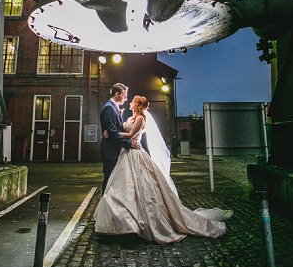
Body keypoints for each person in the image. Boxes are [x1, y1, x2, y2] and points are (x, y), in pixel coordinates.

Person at [95, 95, 231, 244]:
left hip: (134, 153)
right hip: (125, 154)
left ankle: (137, 221)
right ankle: (122, 222)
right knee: (121, 187)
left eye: (133, 102)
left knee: (141, 187)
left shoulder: (140, 118)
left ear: (138, 105)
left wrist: (112, 133)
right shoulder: (130, 117)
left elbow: (130, 135)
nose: (131, 103)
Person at [100, 83, 140, 192]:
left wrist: (114, 133)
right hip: (111, 152)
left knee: (116, 181)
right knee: (109, 180)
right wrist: (129, 144)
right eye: (124, 95)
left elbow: (115, 131)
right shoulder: (109, 108)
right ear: (117, 94)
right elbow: (113, 131)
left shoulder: (115, 107)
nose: (126, 99)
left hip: (117, 151)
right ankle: (105, 207)